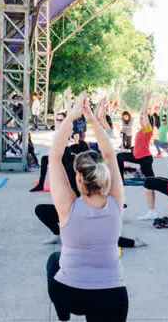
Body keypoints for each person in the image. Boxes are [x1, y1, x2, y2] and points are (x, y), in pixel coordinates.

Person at [46, 92, 128, 322]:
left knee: (53, 261)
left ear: (78, 178)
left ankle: (63, 314)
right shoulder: (115, 201)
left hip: (71, 296)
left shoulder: (68, 207)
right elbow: (110, 154)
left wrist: (72, 115)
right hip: (113, 297)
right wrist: (91, 119)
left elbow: (54, 156)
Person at [116, 92, 155, 181]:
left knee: (151, 180)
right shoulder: (141, 130)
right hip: (136, 156)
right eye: (140, 118)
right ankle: (120, 179)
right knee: (119, 156)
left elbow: (144, 113)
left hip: (145, 158)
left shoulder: (148, 129)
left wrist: (146, 100)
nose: (141, 119)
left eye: (143, 119)